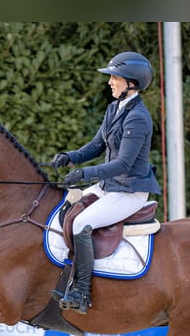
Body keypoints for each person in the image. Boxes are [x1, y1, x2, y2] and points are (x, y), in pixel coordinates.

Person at [50, 51, 161, 314]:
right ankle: (65, 275)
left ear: (132, 83)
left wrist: (85, 175)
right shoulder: (114, 108)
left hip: (129, 190)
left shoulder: (138, 117)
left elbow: (123, 164)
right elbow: (97, 145)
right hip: (109, 186)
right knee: (63, 206)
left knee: (81, 223)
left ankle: (82, 292)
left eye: (115, 77)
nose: (110, 82)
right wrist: (70, 157)